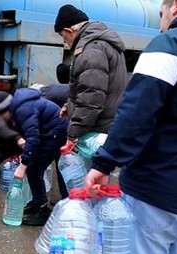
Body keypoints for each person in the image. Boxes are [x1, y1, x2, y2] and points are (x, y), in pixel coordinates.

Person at [85, 0, 177, 254]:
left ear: (176, 5)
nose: (161, 21)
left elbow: (136, 113)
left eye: (161, 13)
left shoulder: (171, 44)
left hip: (157, 189)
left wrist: (104, 162)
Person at [0, 89, 68, 226]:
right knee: (33, 169)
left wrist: (22, 166)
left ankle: (43, 212)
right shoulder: (18, 106)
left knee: (34, 170)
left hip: (56, 133)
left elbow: (33, 138)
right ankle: (37, 203)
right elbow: (31, 134)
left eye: (2, 114)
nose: (2, 118)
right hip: (50, 131)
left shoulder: (23, 110)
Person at [54, 5, 127, 152]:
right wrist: (70, 106)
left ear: (69, 31)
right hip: (107, 124)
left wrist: (73, 134)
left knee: (85, 174)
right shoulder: (100, 44)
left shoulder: (91, 50)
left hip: (98, 127)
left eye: (63, 36)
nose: (65, 42)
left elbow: (91, 97)